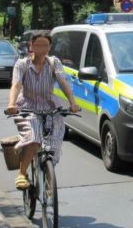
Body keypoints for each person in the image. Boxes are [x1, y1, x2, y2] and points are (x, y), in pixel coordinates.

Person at [5, 31, 80, 190]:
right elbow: (16, 85)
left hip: (50, 107)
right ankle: (22, 173)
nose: (42, 48)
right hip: (27, 108)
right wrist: (11, 104)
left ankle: (47, 172)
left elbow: (63, 82)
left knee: (53, 147)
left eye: (45, 45)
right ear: (31, 46)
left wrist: (73, 103)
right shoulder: (22, 64)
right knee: (34, 137)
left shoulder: (54, 63)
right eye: (38, 45)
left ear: (50, 47)